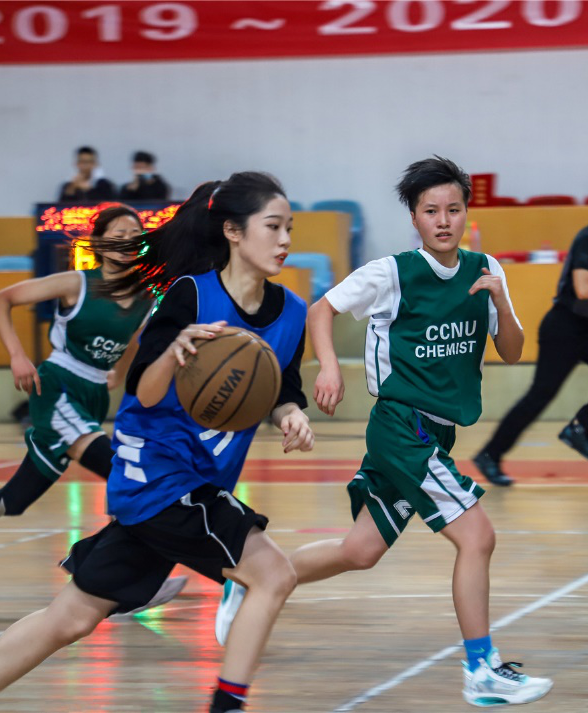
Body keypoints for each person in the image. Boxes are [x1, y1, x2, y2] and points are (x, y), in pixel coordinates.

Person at [0, 172, 314, 713]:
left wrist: (291, 415)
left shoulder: (293, 312)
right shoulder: (191, 296)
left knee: (72, 616)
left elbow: (283, 389)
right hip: (161, 474)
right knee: (274, 574)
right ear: (233, 232)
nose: (285, 240)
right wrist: (176, 352)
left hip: (186, 484)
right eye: (273, 227)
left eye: (290, 228)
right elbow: (144, 390)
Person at [214, 156, 552, 708]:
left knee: (361, 550)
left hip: (437, 432)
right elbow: (320, 311)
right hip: (401, 427)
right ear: (414, 218)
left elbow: (512, 352)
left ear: (467, 213)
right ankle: (482, 670)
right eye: (431, 211)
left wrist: (499, 300)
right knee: (477, 537)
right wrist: (328, 367)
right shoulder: (391, 273)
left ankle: (251, 576)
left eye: (454, 209)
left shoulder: (486, 269)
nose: (443, 220)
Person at [0, 206, 188, 608]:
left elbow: (133, 339)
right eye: (117, 234)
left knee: (11, 502)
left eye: (134, 235)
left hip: (93, 396)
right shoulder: (75, 283)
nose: (126, 241)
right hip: (58, 388)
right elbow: (0, 300)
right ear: (100, 243)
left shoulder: (146, 297)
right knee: (127, 474)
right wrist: (17, 355)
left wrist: (116, 370)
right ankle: (123, 578)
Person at [472, 179, 588, 485]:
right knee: (540, 396)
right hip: (563, 327)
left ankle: (579, 427)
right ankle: (490, 455)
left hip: (587, 326)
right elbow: (583, 289)